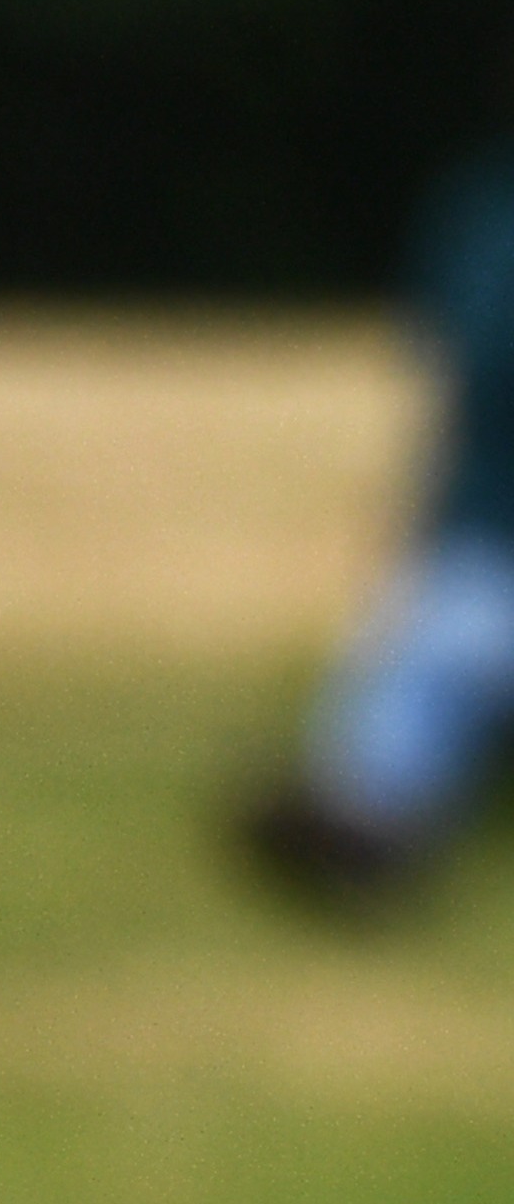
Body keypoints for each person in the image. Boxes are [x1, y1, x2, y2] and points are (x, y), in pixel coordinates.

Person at [250, 143, 514, 901]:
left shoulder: (484, 217)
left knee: (452, 640)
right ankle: (364, 814)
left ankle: (369, 807)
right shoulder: (485, 213)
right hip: (484, 534)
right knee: (437, 639)